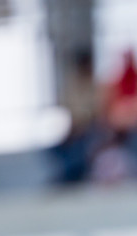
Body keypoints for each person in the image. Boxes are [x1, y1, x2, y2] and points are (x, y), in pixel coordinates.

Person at [52, 49, 102, 185]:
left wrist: (82, 125)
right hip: (74, 130)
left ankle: (71, 176)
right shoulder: (73, 86)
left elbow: (96, 112)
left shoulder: (97, 86)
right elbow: (70, 110)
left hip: (92, 129)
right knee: (55, 149)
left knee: (80, 151)